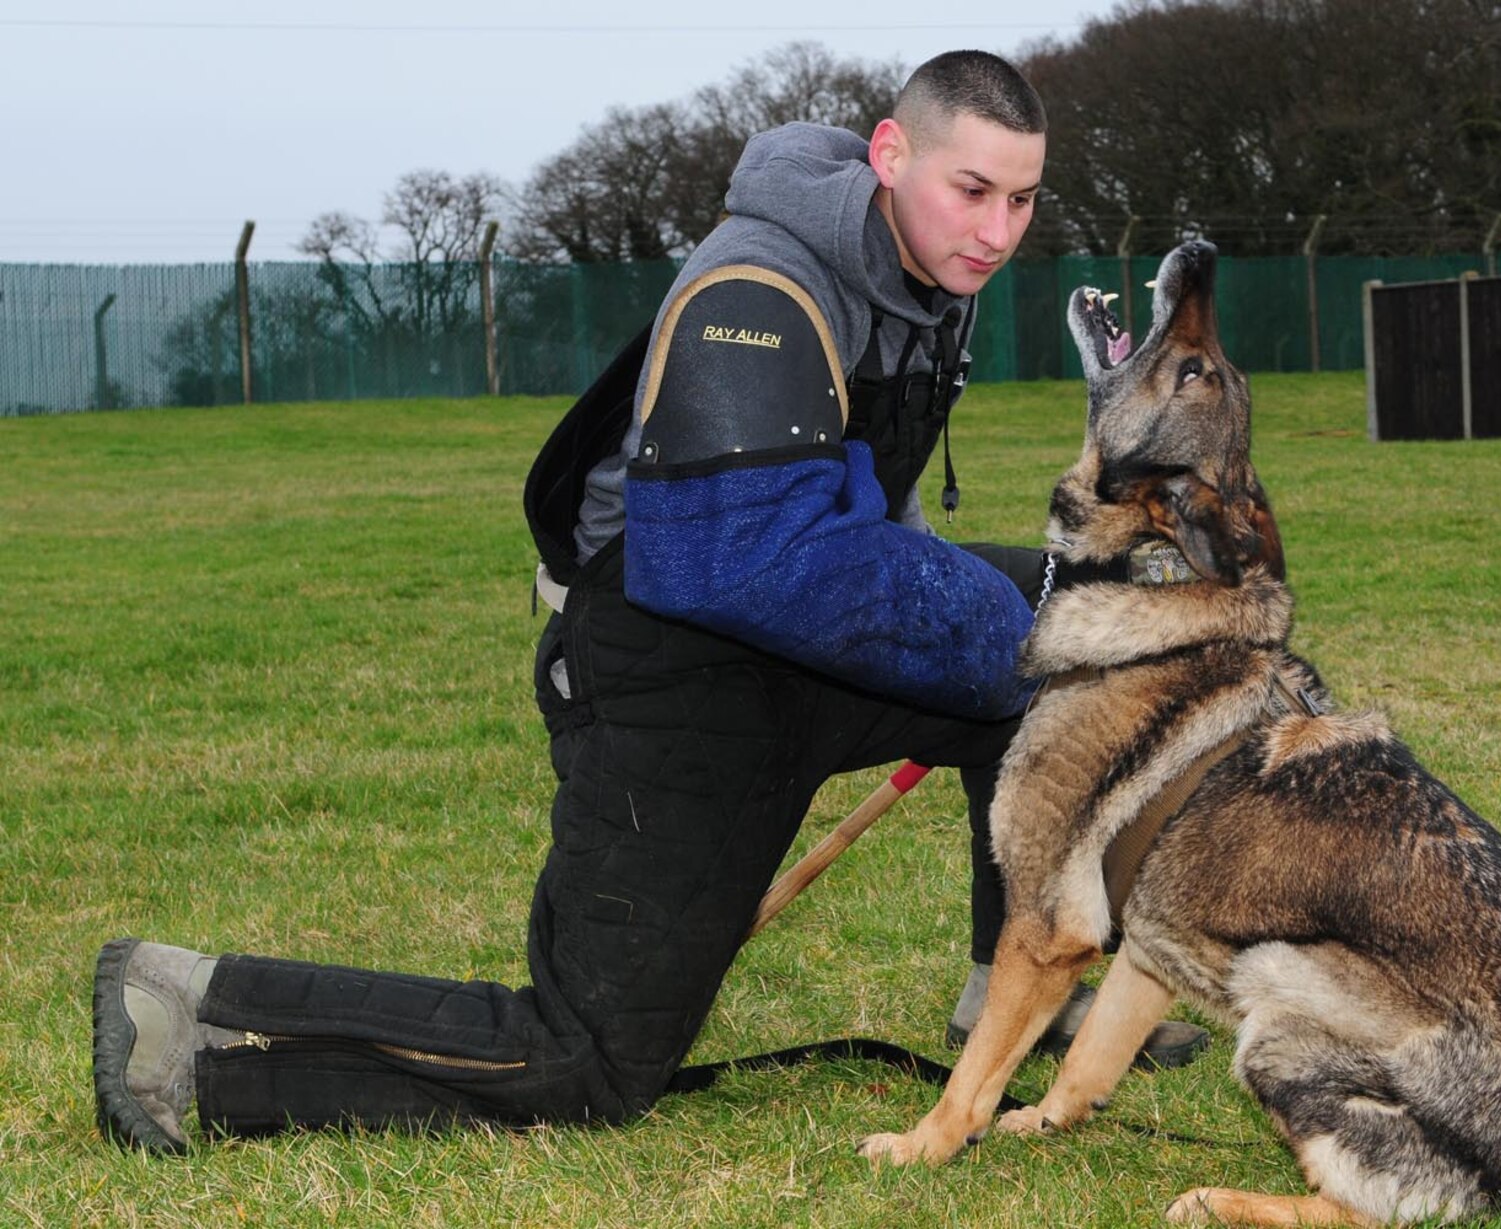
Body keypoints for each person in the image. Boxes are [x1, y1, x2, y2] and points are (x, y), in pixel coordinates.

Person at [92, 50, 1204, 1155]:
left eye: (1020, 200)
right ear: (889, 154)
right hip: (673, 657)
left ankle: (1012, 993)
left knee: (1083, 666)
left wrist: (1048, 630)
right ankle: (194, 1021)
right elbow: (733, 563)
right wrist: (1028, 623)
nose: (997, 231)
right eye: (971, 192)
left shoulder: (929, 281)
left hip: (806, 632)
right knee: (587, 1060)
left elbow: (879, 516)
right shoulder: (756, 289)